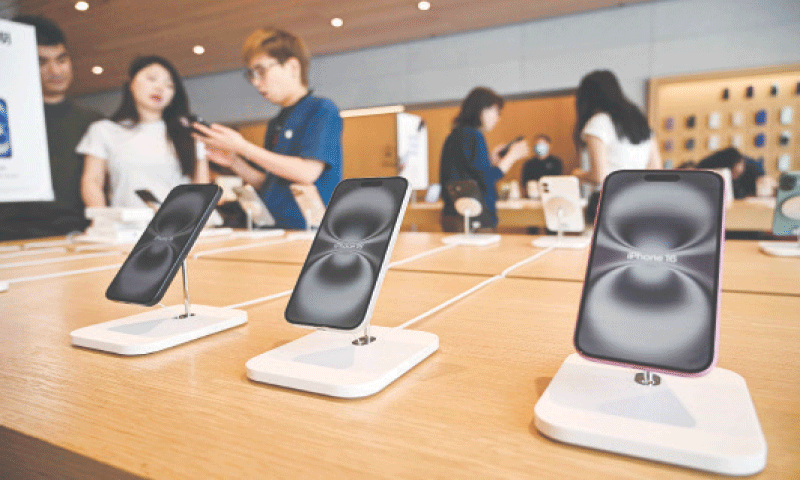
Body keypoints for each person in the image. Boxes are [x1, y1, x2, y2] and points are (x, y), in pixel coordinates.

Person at [191, 28, 342, 230]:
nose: (255, 82)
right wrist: (234, 161)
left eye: (261, 71)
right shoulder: (276, 122)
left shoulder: (321, 109)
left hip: (306, 229)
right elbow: (269, 183)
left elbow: (307, 173)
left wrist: (244, 148)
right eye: (251, 74)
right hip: (271, 227)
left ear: (292, 67)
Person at [1, 15, 102, 240]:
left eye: (62, 59)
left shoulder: (94, 122)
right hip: (8, 238)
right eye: (41, 62)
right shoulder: (5, 118)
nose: (55, 71)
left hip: (74, 237)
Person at [77, 56, 209, 207]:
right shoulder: (103, 130)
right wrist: (101, 221)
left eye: (169, 85)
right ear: (131, 84)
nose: (159, 87)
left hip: (178, 226)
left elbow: (201, 189)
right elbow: (92, 182)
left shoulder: (188, 133)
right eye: (152, 79)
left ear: (173, 97)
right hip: (125, 226)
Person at [571, 70, 661, 219]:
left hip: (609, 202)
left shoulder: (598, 123)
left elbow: (600, 176)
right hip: (640, 201)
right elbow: (656, 170)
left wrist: (578, 174)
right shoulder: (640, 122)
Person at [439, 87, 530, 232]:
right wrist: (511, 156)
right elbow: (486, 179)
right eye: (496, 112)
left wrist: (489, 161)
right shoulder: (475, 136)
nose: (498, 118)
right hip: (474, 219)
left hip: (452, 215)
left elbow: (468, 173)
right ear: (482, 109)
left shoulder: (453, 136)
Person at [698, 147, 769, 198]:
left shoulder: (756, 169)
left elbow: (762, 191)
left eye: (735, 173)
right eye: (731, 173)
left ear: (742, 162)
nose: (733, 176)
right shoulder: (712, 162)